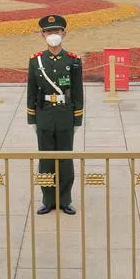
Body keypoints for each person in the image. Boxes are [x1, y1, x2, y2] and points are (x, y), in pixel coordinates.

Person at [26, 14, 84, 215]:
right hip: (44, 114)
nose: (53, 35)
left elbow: (78, 92)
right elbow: (31, 91)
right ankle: (48, 200)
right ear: (42, 35)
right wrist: (32, 118)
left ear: (64, 33)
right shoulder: (36, 61)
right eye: (49, 32)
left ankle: (65, 199)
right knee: (46, 161)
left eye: (56, 31)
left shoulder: (73, 61)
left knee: (65, 160)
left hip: (65, 115)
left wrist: (77, 118)